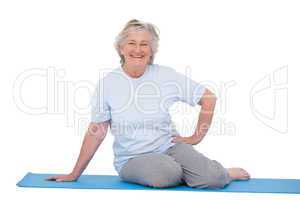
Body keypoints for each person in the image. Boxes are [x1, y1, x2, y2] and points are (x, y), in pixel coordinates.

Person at [46, 19, 250, 188]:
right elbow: (97, 131)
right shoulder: (108, 84)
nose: (138, 49)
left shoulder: (166, 76)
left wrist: (196, 137)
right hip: (132, 159)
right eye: (132, 43)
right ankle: (193, 173)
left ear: (152, 50)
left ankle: (221, 172)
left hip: (170, 147)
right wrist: (74, 173)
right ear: (121, 48)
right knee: (165, 174)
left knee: (213, 179)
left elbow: (209, 98)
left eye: (144, 44)